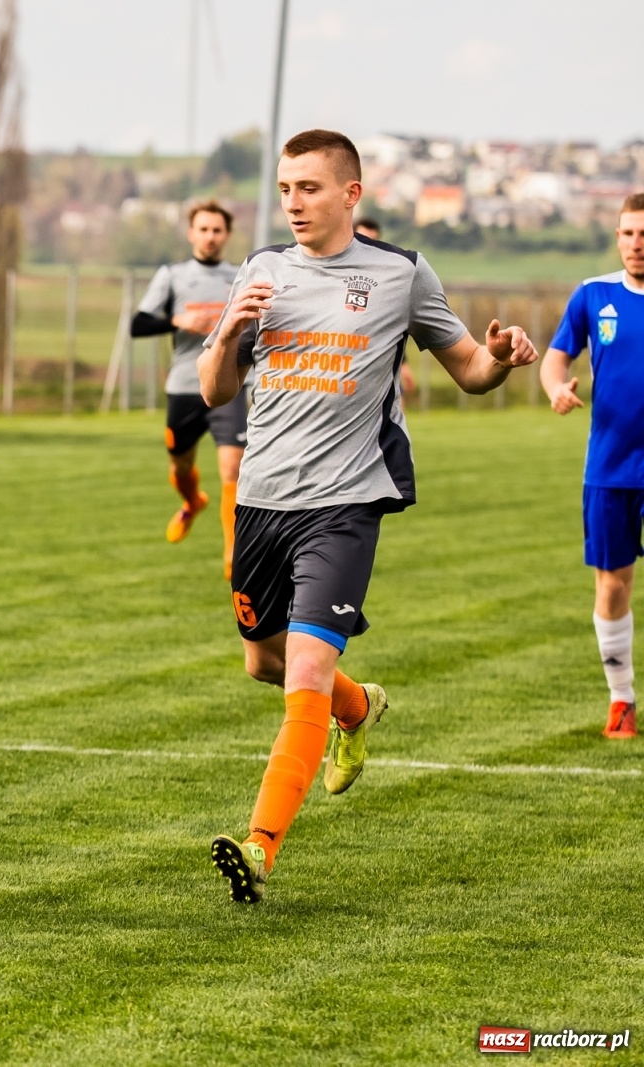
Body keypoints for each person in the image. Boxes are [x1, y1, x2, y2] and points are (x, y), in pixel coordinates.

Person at [196, 129, 538, 903]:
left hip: (346, 504)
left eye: (309, 189)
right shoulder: (263, 269)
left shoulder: (401, 275)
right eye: (285, 189)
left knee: (304, 674)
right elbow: (216, 389)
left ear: (352, 194)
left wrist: (502, 358)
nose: (293, 204)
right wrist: (228, 329)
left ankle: (258, 847)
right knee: (264, 660)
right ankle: (360, 707)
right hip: (261, 500)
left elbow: (470, 371)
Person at [539, 192, 644, 740]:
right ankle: (622, 700)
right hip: (610, 468)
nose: (636, 244)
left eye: (643, 233)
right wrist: (557, 389)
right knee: (612, 586)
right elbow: (557, 358)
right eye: (628, 233)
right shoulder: (593, 295)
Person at [131, 200, 243, 575]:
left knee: (233, 467)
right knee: (180, 467)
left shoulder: (241, 275)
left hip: (228, 384)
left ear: (227, 235)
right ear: (191, 232)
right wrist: (179, 319)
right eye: (204, 229)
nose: (210, 237)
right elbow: (138, 325)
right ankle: (193, 501)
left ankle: (233, 554)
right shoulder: (172, 275)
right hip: (184, 386)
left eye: (217, 230)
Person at [356, 218, 418, 397]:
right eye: (362, 238)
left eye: (373, 240)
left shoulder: (386, 279)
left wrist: (403, 364)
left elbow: (391, 327)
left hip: (379, 368)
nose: (368, 245)